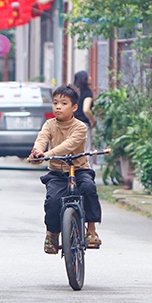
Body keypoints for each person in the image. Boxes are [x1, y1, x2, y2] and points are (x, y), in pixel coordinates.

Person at [29, 85, 102, 254]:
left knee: (89, 188)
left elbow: (68, 145)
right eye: (55, 103)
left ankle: (91, 230)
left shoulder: (81, 127)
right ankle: (52, 235)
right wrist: (38, 151)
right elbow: (42, 139)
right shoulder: (49, 124)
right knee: (52, 202)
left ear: (74, 107)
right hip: (57, 173)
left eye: (63, 103)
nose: (58, 107)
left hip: (79, 170)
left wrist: (48, 153)